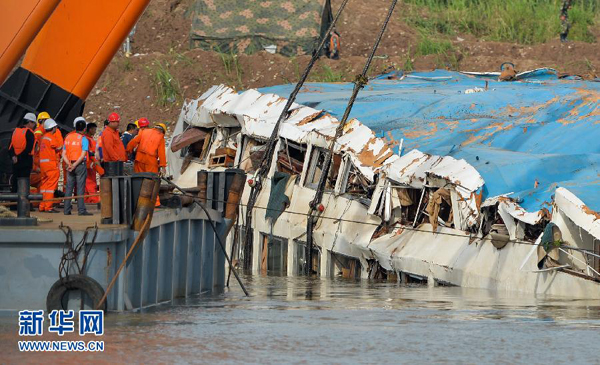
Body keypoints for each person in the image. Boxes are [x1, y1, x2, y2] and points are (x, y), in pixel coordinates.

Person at [127, 122, 167, 207]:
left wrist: (128, 150)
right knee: (153, 182)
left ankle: (137, 202)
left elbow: (134, 141)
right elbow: (161, 153)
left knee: (138, 181)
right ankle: (155, 203)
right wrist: (163, 166)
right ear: (162, 131)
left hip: (139, 159)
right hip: (151, 162)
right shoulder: (160, 136)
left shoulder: (144, 131)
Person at [62, 118, 91, 216]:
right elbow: (83, 154)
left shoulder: (68, 137)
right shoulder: (83, 139)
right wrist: (74, 165)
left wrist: (69, 164)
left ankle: (66, 210)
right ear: (84, 129)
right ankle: (81, 210)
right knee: (80, 188)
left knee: (69, 188)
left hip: (70, 165)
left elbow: (63, 154)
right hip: (79, 165)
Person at [38, 119, 63, 213]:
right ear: (53, 128)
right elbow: (58, 147)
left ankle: (42, 206)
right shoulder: (50, 137)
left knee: (44, 186)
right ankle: (48, 207)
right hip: (51, 165)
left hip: (43, 165)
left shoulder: (43, 137)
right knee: (51, 186)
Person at [8, 113, 37, 193]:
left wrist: (14, 156)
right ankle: (23, 205)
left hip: (15, 164)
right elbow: (28, 149)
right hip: (25, 163)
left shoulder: (15, 131)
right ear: (30, 122)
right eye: (34, 123)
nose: (34, 126)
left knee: (15, 186)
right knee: (23, 187)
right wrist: (19, 157)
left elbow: (10, 147)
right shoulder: (30, 133)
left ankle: (13, 205)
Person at [84, 123, 101, 204]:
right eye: (94, 129)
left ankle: (87, 199)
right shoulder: (88, 140)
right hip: (90, 164)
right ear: (90, 129)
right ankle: (93, 198)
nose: (95, 131)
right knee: (90, 182)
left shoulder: (87, 139)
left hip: (88, 163)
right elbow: (91, 153)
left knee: (88, 182)